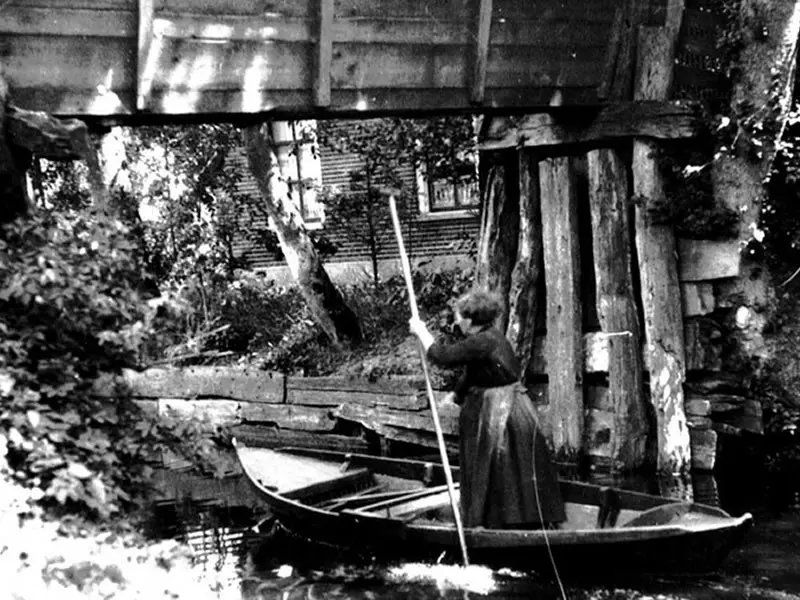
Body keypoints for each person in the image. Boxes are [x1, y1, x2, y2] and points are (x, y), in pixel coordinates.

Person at [409, 289, 566, 530]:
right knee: (504, 466)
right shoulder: (489, 337)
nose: (456, 321)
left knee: (496, 464)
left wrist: (422, 332)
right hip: (507, 407)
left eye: (459, 316)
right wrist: (456, 394)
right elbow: (474, 372)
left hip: (502, 412)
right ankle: (507, 519)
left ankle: (500, 521)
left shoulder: (482, 341)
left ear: (470, 320)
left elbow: (443, 356)